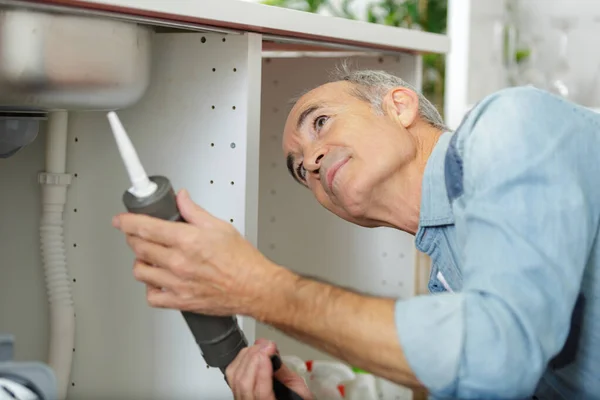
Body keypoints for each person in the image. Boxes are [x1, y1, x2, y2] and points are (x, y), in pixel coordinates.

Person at [112, 67, 600, 399]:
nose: (311, 160)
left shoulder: (508, 127)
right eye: (300, 170)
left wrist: (259, 287)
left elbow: (500, 351)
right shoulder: (449, 279)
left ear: (400, 106)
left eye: (321, 123)